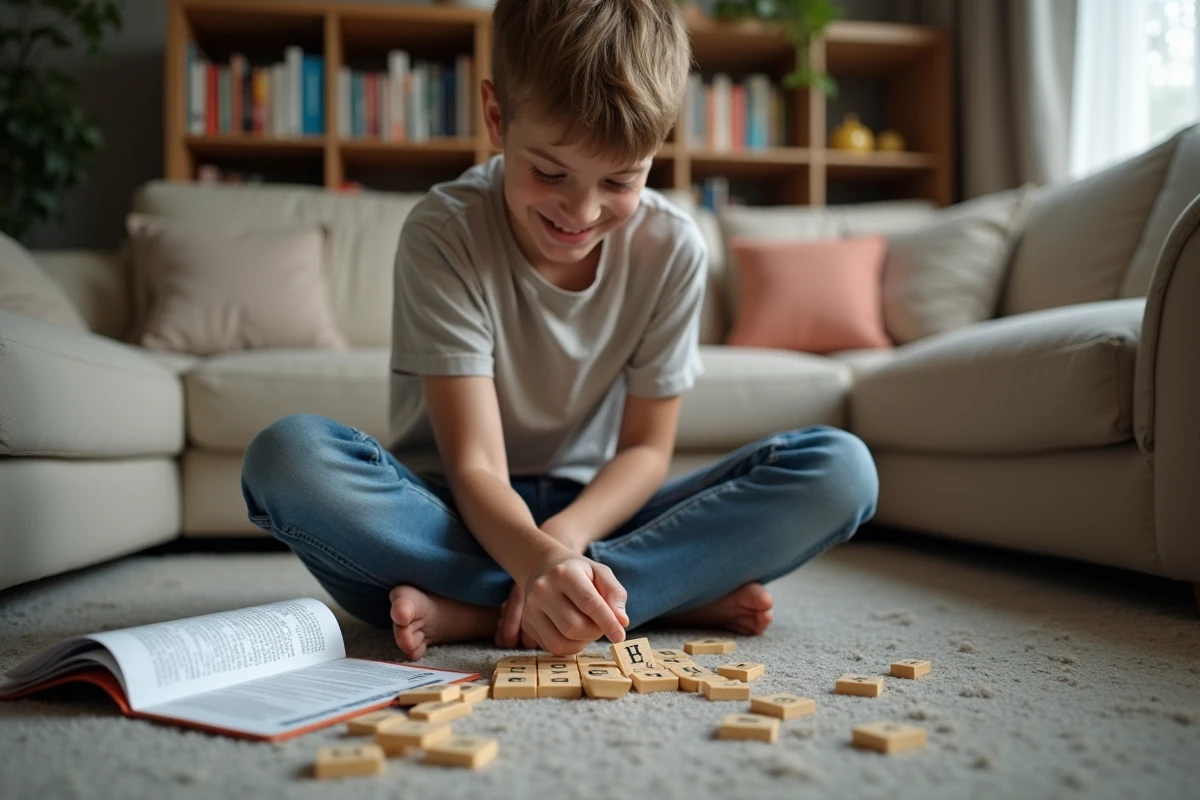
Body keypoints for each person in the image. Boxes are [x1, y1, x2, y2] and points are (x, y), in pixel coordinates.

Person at [241, 0, 878, 660]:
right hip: (453, 509)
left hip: (596, 508)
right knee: (286, 459)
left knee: (841, 471)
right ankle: (650, 596)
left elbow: (645, 452)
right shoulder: (445, 232)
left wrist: (563, 545)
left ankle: (486, 610)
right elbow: (476, 464)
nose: (582, 210)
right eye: (549, 172)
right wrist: (538, 560)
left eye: (621, 180)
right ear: (496, 117)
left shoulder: (674, 249)